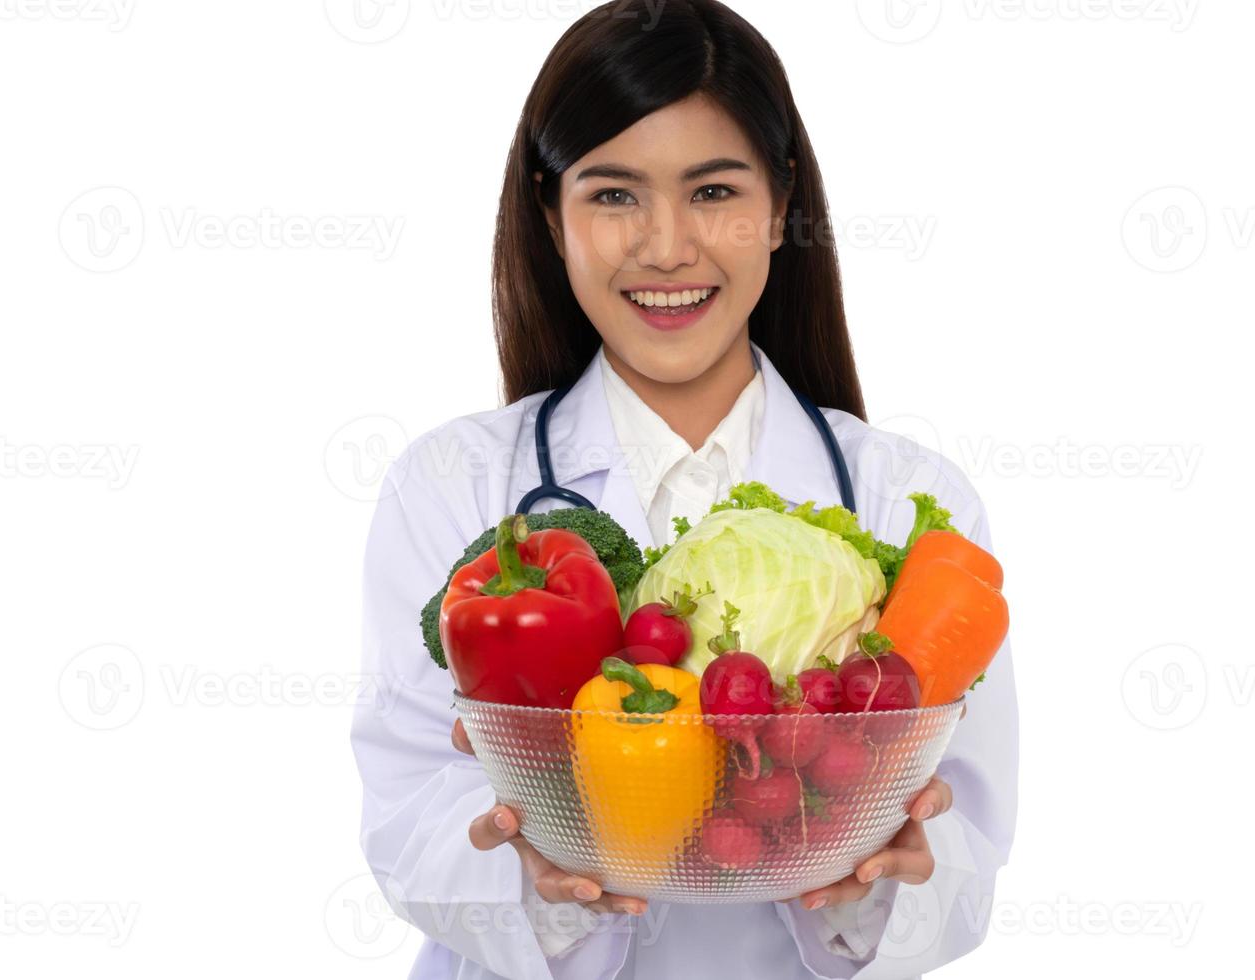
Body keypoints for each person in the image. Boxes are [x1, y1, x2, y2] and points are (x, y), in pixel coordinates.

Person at [349, 2, 1018, 977]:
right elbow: (408, 814)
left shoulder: (906, 497)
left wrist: (883, 875)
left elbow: (969, 852)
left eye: (712, 191)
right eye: (614, 195)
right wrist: (538, 877)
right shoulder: (452, 485)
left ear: (783, 205)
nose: (666, 247)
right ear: (550, 212)